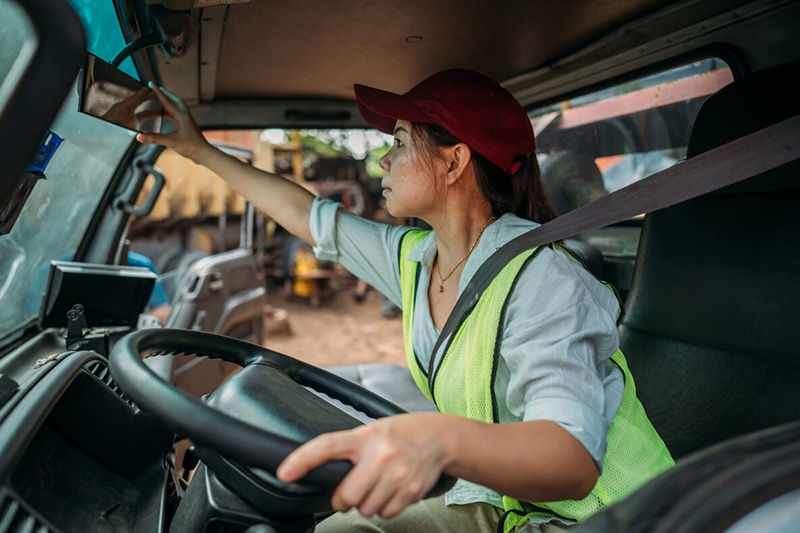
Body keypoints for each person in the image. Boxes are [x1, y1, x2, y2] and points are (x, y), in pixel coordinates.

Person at [137, 69, 674, 533]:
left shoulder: (547, 279)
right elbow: (305, 215)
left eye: (397, 141)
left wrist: (439, 440)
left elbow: (572, 459)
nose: (380, 163)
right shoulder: (417, 257)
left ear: (454, 161)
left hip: (613, 516)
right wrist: (199, 150)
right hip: (512, 505)